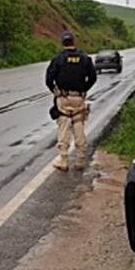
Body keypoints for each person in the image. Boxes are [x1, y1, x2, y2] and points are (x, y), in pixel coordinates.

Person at [45, 31, 97, 171]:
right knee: (78, 124)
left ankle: (63, 159)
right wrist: (84, 90)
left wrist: (56, 91)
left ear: (62, 43)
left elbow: (49, 79)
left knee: (64, 125)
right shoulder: (85, 58)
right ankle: (80, 159)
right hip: (78, 97)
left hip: (64, 97)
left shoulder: (58, 59)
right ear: (74, 42)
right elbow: (93, 77)